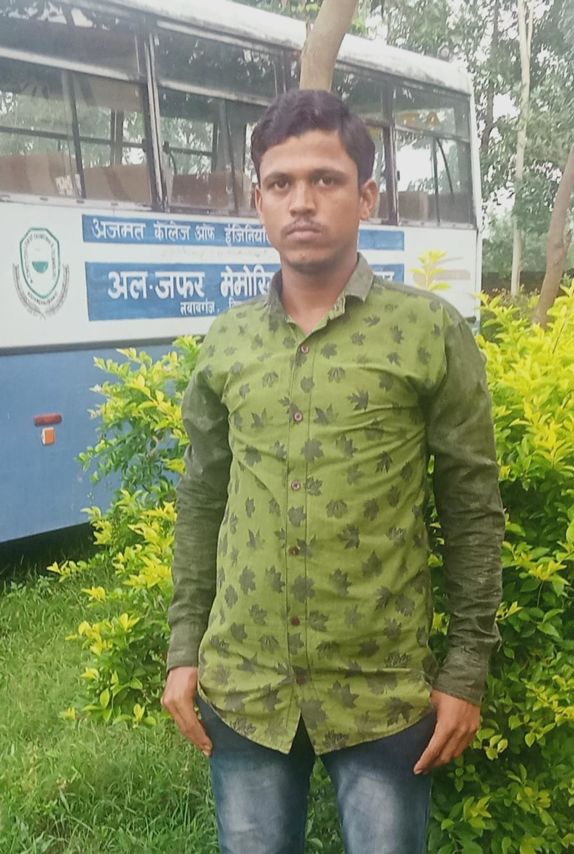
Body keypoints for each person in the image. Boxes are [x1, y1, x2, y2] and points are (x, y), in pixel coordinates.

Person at [162, 89, 504, 854]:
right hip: (245, 687)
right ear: (258, 199)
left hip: (382, 692)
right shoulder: (228, 341)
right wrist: (184, 648)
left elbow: (473, 508)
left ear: (367, 195)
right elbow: (202, 499)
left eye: (326, 179)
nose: (302, 201)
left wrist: (465, 671)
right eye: (280, 183)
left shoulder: (428, 332)